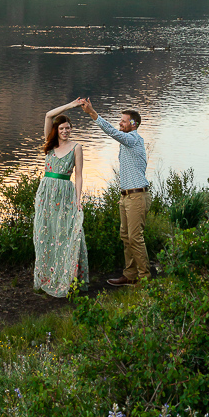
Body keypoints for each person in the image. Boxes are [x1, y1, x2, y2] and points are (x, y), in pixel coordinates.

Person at [81, 98, 150, 287]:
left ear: (133, 124)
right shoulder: (127, 141)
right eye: (120, 120)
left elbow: (111, 131)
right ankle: (130, 274)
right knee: (126, 237)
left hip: (137, 196)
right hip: (126, 196)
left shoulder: (133, 139)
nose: (120, 123)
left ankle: (145, 278)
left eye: (124, 121)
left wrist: (93, 114)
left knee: (135, 237)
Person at [33, 99, 89, 297]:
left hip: (65, 193)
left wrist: (78, 199)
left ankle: (66, 277)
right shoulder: (50, 144)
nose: (65, 131)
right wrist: (72, 105)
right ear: (57, 130)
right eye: (62, 128)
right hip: (46, 192)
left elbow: (79, 175)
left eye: (68, 128)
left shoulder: (76, 148)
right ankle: (47, 276)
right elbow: (48, 115)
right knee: (45, 233)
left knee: (66, 234)